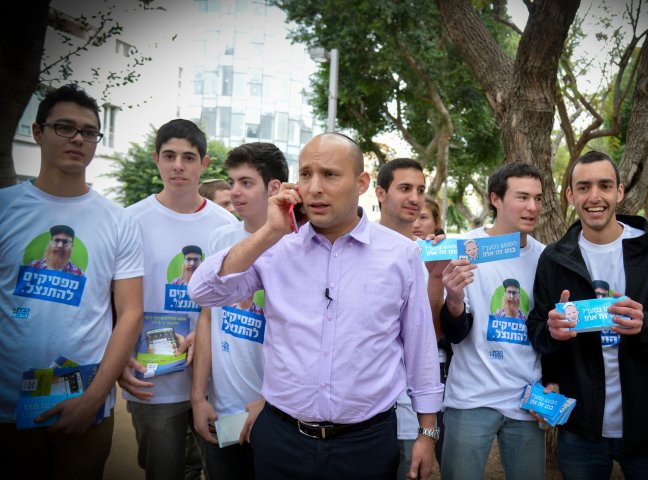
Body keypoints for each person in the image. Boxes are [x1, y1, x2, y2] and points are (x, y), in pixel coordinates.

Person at [188, 133, 443, 479]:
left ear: (362, 183)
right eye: (306, 174)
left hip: (366, 443)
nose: (314, 187)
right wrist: (268, 233)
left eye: (330, 175)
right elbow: (203, 291)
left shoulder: (400, 255)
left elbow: (420, 349)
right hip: (281, 438)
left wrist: (427, 433)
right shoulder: (276, 247)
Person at [0, 84, 144, 478]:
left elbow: (130, 313)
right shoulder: (5, 208)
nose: (78, 138)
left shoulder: (119, 221)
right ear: (37, 132)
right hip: (6, 408)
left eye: (89, 131)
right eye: (65, 127)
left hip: (85, 403)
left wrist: (93, 398)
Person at [527, 150, 648, 480]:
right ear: (570, 195)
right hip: (580, 431)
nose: (594, 197)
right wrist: (551, 332)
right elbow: (537, 329)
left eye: (604, 186)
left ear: (619, 191)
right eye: (584, 187)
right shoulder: (554, 258)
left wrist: (646, 326)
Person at [118, 119, 237, 480]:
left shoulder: (225, 225)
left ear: (204, 162)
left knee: (224, 470)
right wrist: (119, 356)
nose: (178, 166)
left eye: (188, 157)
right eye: (169, 156)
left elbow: (232, 297)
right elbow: (117, 300)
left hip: (218, 381)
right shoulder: (129, 220)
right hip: (153, 380)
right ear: (157, 159)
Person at [439, 162, 547, 480]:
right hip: (472, 397)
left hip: (528, 401)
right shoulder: (467, 250)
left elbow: (544, 332)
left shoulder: (547, 258)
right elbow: (455, 333)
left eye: (538, 199)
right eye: (522, 197)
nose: (532, 207)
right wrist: (454, 298)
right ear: (495, 199)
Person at [191, 142, 288, 480]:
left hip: (277, 416)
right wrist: (198, 396)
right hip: (222, 412)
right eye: (231, 182)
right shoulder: (220, 239)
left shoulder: (300, 246)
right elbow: (207, 318)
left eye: (246, 182)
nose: (234, 192)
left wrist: (269, 402)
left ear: (274, 188)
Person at [374, 158, 447, 479]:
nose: (415, 198)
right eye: (405, 188)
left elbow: (434, 336)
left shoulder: (429, 255)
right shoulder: (354, 246)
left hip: (409, 417)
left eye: (420, 190)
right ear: (380, 193)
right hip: (360, 420)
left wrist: (436, 279)